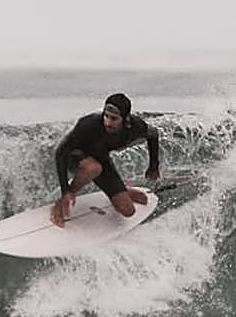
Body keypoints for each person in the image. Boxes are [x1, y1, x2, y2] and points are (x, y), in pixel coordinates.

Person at [50, 93, 161, 227]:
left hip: (100, 160)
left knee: (128, 210)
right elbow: (61, 152)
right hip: (75, 157)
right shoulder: (89, 124)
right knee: (93, 168)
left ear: (125, 119)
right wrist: (65, 190)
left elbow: (153, 134)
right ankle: (62, 201)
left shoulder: (136, 127)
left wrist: (153, 166)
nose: (108, 122)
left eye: (114, 119)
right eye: (106, 116)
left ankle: (123, 191)